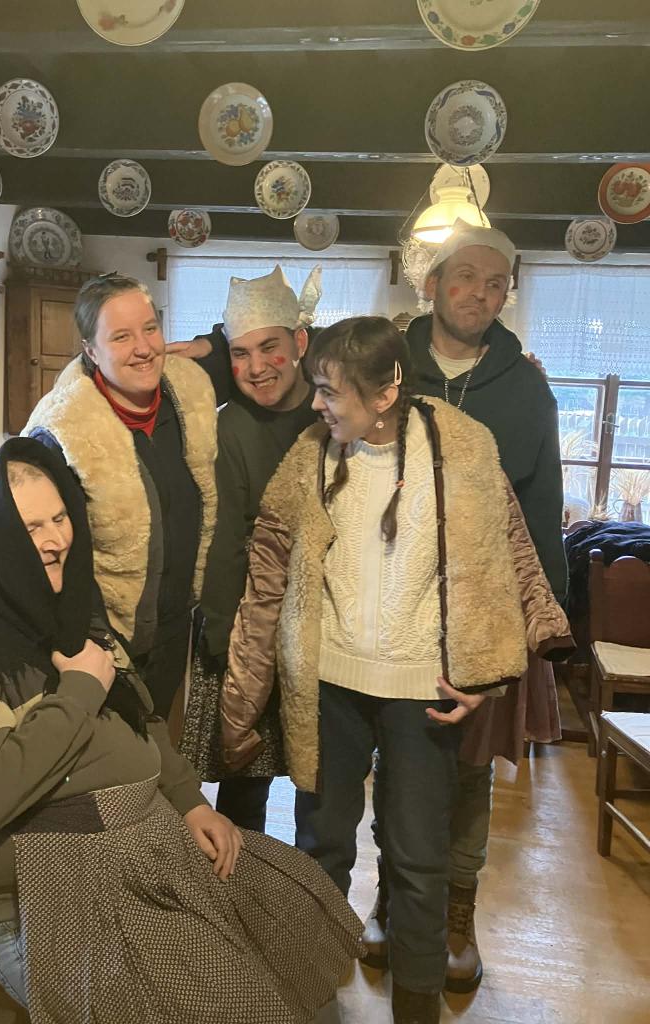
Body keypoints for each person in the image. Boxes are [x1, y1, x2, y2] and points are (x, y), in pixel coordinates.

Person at [0, 437, 362, 1024]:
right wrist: (79, 690)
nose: (56, 540)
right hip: (47, 895)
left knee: (292, 918)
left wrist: (190, 803)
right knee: (225, 1006)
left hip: (144, 852)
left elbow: (142, 718)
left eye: (59, 518)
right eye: (31, 528)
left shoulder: (66, 611)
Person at [220, 317, 573, 1024]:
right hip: (329, 688)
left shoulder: (462, 447)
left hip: (423, 693)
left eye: (330, 391)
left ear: (384, 395)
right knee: (320, 848)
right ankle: (311, 999)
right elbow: (266, 582)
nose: (315, 403)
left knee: (418, 861)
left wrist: (491, 673)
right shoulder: (310, 456)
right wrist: (241, 700)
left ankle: (416, 1009)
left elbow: (506, 558)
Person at [358, 222, 565, 993]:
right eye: (467, 277)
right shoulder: (384, 364)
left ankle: (455, 916)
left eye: (496, 283)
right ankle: (390, 899)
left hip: (485, 615)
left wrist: (544, 621)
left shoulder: (526, 387)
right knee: (394, 762)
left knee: (469, 773)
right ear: (433, 284)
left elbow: (542, 506)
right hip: (389, 605)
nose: (481, 293)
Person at [24, 274, 217, 722]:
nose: (144, 348)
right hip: (98, 647)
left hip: (171, 633)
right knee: (110, 754)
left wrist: (214, 344)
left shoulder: (187, 397)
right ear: (91, 351)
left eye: (150, 329)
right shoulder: (63, 431)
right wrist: (87, 643)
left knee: (156, 745)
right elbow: (45, 552)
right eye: (121, 336)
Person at [180, 265, 321, 832]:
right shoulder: (229, 427)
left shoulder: (334, 410)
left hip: (327, 630)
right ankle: (241, 883)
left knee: (323, 786)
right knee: (245, 787)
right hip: (249, 629)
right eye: (240, 354)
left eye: (269, 348)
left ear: (301, 343)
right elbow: (222, 539)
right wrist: (220, 635)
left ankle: (312, 885)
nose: (257, 367)